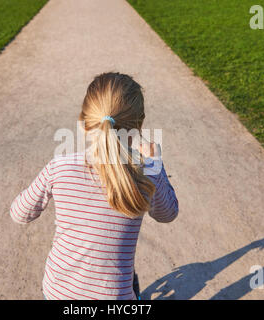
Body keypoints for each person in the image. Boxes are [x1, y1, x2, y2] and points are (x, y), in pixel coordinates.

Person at [10, 72, 179, 300]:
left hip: (58, 291)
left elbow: (20, 214)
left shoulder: (59, 167)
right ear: (138, 127)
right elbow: (167, 214)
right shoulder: (145, 172)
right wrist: (155, 164)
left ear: (84, 122)